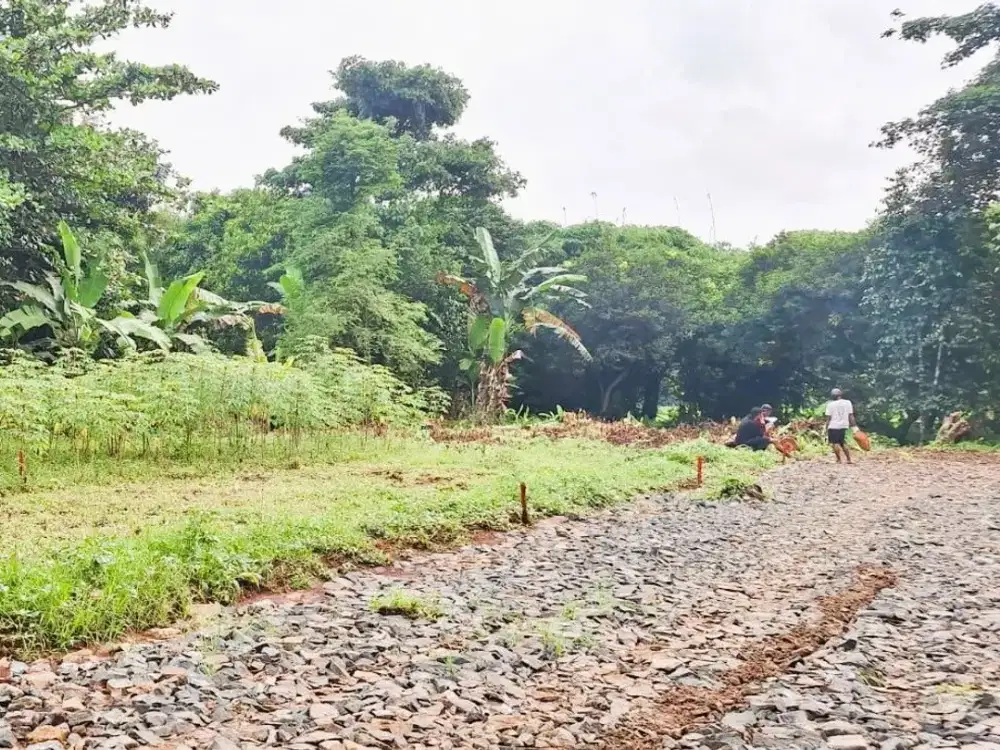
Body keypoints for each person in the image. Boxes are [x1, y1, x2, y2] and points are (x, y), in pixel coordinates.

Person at [825, 388, 856, 464]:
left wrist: (826, 428)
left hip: (833, 426)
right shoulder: (847, 402)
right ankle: (849, 459)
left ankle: (838, 460)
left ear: (832, 396)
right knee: (842, 442)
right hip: (844, 425)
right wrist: (854, 426)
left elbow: (829, 418)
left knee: (835, 443)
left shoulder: (830, 404)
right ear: (840, 394)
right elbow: (851, 415)